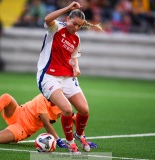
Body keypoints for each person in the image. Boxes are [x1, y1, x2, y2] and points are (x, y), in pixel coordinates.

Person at [36, 1, 102, 154]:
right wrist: (67, 8)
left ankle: (79, 135)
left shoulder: (77, 39)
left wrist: (76, 66)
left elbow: (73, 56)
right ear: (67, 20)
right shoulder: (56, 27)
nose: (76, 27)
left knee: (84, 110)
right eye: (74, 23)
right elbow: (47, 19)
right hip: (49, 76)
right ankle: (70, 142)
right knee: (66, 109)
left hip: (66, 76)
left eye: (79, 25)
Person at [0, 93, 97, 149]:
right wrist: (58, 140)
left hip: (22, 129)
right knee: (7, 97)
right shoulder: (42, 98)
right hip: (17, 112)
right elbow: (46, 123)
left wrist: (82, 137)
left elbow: (75, 118)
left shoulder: (62, 105)